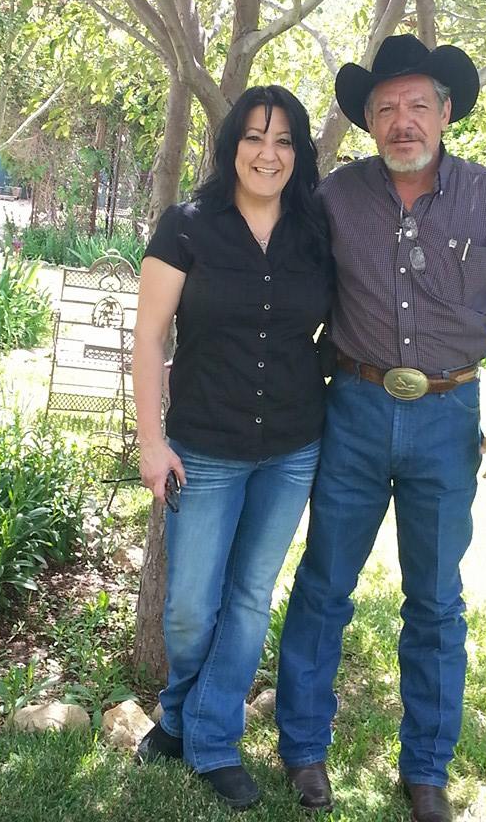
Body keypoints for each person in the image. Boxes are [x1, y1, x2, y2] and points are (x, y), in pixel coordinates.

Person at [274, 35, 486, 821]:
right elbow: (284, 282)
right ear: (369, 122)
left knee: (436, 601)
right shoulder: (335, 198)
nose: (401, 121)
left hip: (448, 421)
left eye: (415, 105)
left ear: (444, 113)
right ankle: (302, 750)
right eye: (385, 109)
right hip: (354, 411)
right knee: (324, 584)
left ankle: (427, 770)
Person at [132, 85, 332, 809]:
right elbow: (149, 337)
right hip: (205, 447)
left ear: (299, 153)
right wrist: (151, 442)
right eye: (254, 137)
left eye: (283, 141)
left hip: (292, 446)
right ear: (231, 146)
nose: (267, 154)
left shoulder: (316, 233)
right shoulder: (187, 228)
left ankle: (208, 739)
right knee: (190, 606)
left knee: (249, 598)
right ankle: (180, 717)